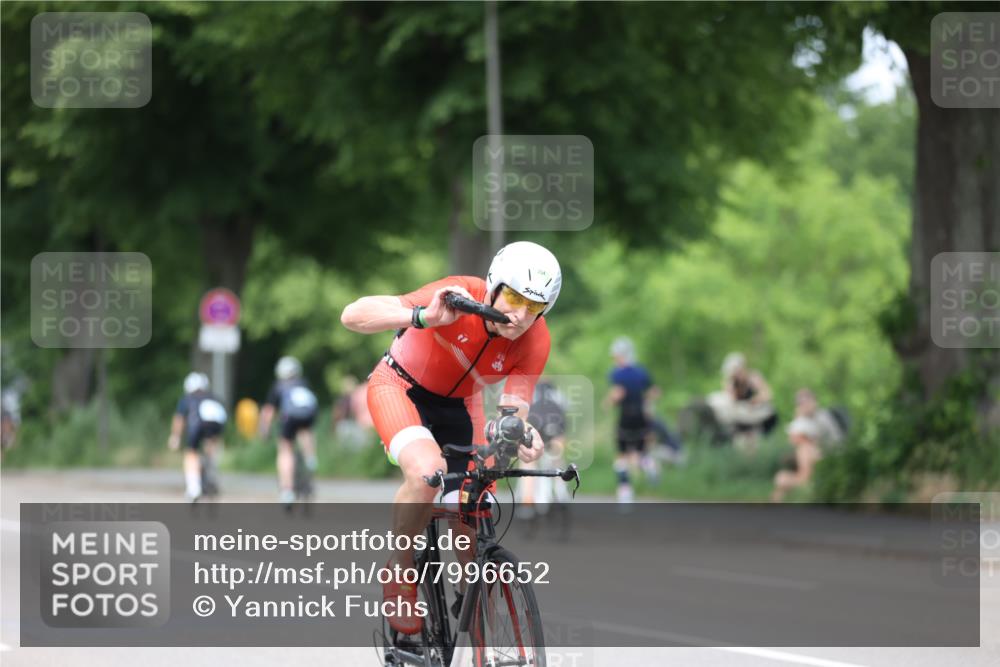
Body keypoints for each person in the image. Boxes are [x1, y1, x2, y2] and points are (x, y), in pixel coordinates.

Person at [340, 240, 556, 636]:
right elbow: (352, 315)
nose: (520, 315)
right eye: (512, 297)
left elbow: (512, 412)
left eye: (535, 307)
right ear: (493, 286)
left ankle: (470, 597)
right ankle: (401, 571)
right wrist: (421, 316)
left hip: (461, 405)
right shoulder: (457, 294)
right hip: (400, 389)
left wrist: (521, 432)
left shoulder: (536, 340)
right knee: (427, 473)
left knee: (475, 499)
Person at [603, 336, 658, 505]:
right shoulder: (641, 371)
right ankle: (648, 464)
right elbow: (654, 391)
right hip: (641, 417)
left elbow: (618, 393)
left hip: (626, 417)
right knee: (640, 450)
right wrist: (647, 404)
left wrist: (607, 402)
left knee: (622, 456)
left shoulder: (617, 373)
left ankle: (625, 492)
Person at [259, 356, 319, 505]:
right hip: (309, 414)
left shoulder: (279, 385)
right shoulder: (304, 383)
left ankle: (287, 490)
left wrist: (264, 431)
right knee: (306, 430)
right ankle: (310, 457)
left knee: (285, 449)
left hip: (289, 417)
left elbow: (268, 412)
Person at [518, 379, 571, 526]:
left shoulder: (530, 394)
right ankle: (561, 491)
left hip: (536, 423)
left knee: (529, 461)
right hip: (556, 424)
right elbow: (565, 411)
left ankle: (527, 503)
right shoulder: (558, 394)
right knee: (556, 456)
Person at [168, 372, 227, 502]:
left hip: (198, 425)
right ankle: (211, 469)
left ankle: (193, 488)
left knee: (191, 453)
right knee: (210, 447)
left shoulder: (188, 398)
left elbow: (179, 419)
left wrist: (175, 437)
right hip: (217, 425)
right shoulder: (213, 397)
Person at [707, 351, 776, 451]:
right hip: (740, 420)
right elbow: (731, 400)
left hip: (758, 417)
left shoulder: (753, 377)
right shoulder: (731, 382)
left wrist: (755, 400)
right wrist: (733, 384)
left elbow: (767, 394)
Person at [771, 416, 823, 502]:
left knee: (781, 477)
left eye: (792, 433)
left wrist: (788, 481)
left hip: (810, 484)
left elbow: (806, 477)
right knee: (782, 483)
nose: (789, 436)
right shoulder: (810, 447)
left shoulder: (804, 449)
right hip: (813, 482)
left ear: (801, 435)